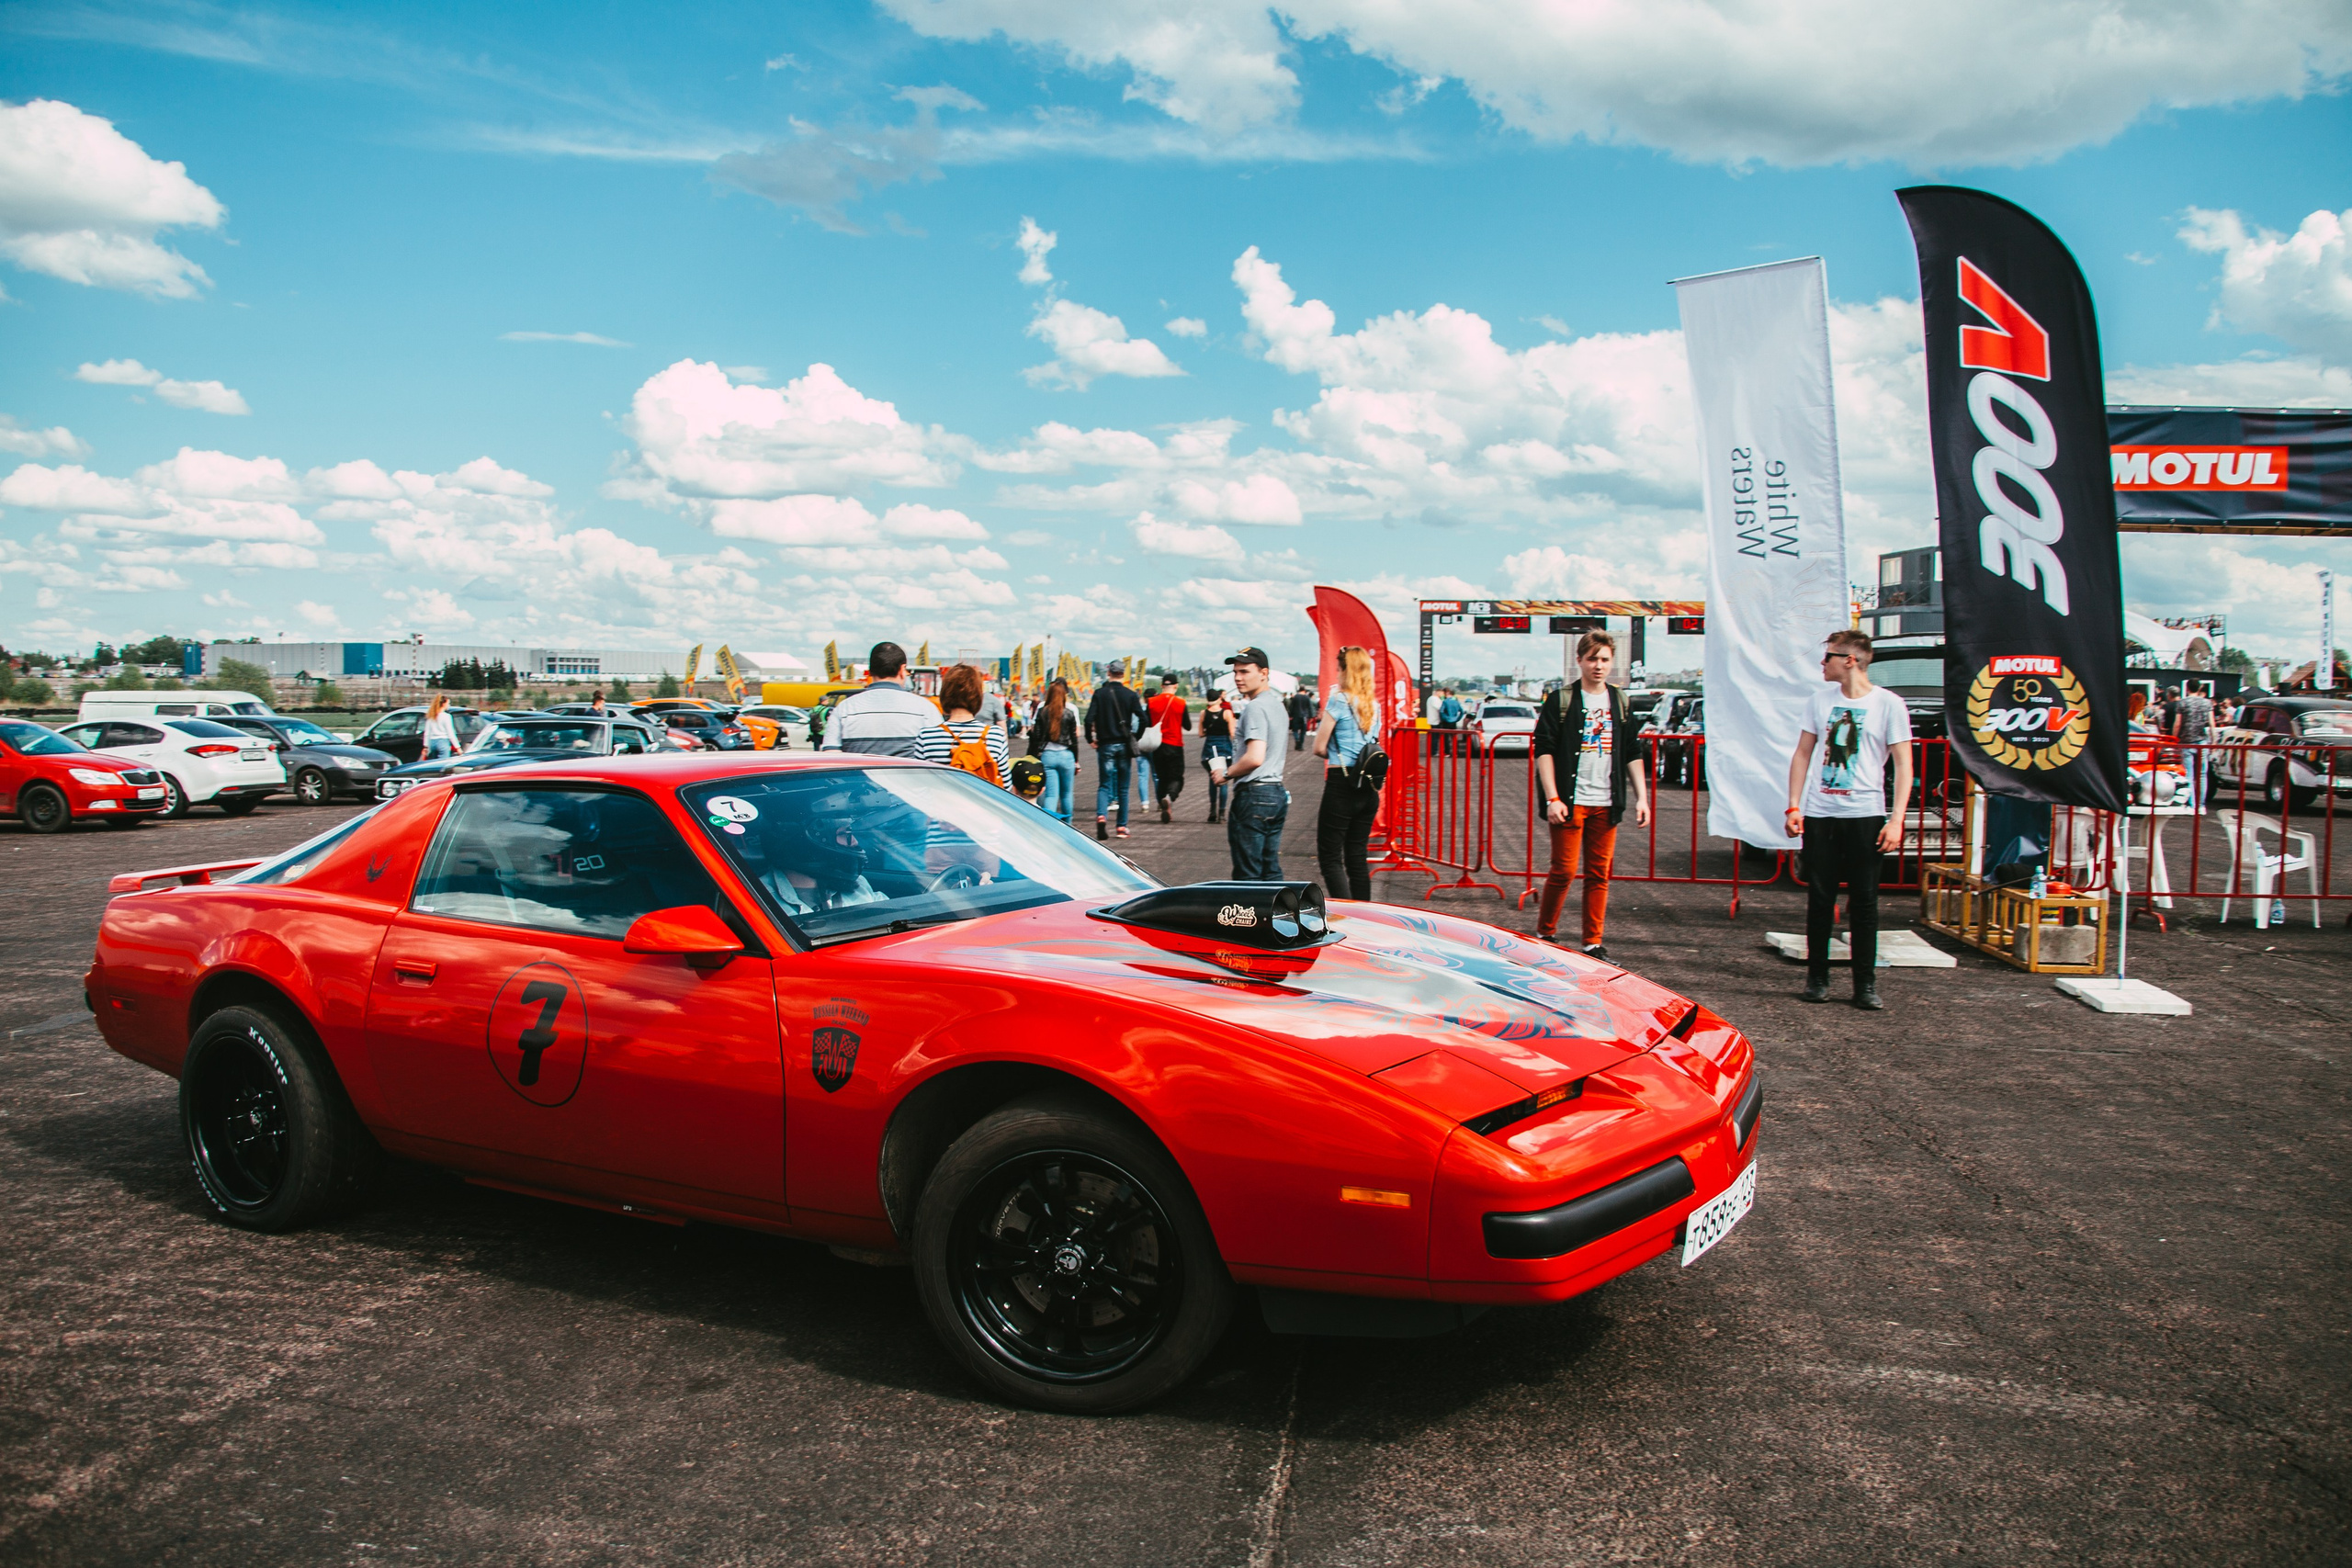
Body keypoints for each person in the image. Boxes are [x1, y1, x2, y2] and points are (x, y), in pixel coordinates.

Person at [1785, 628, 1913, 1010]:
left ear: (1850, 660)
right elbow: (1803, 754)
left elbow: (1904, 764)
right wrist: (1794, 806)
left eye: (1828, 657)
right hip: (1822, 813)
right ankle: (1817, 978)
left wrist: (1897, 820)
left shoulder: (1889, 705)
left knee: (1866, 901)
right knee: (1820, 897)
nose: (1822, 664)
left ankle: (1865, 984)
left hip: (1866, 813)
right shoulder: (1819, 701)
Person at [1529, 631, 1651, 959]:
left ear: (1613, 662)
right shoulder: (1562, 700)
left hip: (1607, 802)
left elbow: (1632, 750)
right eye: (1592, 658)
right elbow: (1544, 750)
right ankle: (1545, 934)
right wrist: (1553, 797)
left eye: (1605, 659)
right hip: (1570, 802)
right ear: (1580, 660)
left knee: (1599, 874)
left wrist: (1642, 797)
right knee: (1564, 870)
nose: (1599, 666)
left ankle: (1593, 943)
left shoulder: (1620, 701)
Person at [1313, 645, 1384, 901]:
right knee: (1357, 856)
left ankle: (1347, 914)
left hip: (1341, 784)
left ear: (1345, 670)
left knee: (1330, 857)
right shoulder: (1374, 706)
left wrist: (1336, 753)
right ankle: (1366, 915)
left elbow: (1318, 747)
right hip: (1368, 787)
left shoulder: (1339, 701)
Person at [1213, 648, 1289, 877]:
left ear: (1264, 673)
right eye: (1235, 672)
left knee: (1248, 874)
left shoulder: (1255, 707)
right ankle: (1279, 912)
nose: (1238, 677)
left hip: (1254, 795)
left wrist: (1226, 774)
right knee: (1270, 869)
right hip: (1276, 793)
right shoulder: (1277, 705)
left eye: (1245, 672)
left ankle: (1253, 914)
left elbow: (1255, 757)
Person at [820, 642, 936, 757]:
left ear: (870, 671)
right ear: (902, 670)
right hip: (909, 775)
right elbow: (937, 754)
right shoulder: (925, 709)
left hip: (862, 775)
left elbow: (831, 755)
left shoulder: (844, 709)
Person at [914, 663, 1010, 786]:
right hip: (982, 804)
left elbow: (919, 786)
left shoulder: (927, 736)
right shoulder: (995, 735)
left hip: (942, 803)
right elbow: (1006, 785)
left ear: (944, 694)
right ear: (978, 696)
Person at [1084, 660, 1147, 840]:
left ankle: (1102, 815)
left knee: (1104, 784)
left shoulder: (1099, 694)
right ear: (1123, 674)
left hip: (1105, 745)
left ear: (1108, 672)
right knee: (1124, 788)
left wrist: (1091, 739)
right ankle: (1121, 827)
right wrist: (1135, 737)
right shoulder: (1130, 695)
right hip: (1124, 746)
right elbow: (1143, 719)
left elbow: (1089, 720)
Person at [1026, 679, 1081, 824]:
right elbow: (1074, 739)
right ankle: (1069, 825)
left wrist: (1033, 756)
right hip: (1066, 756)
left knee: (1051, 795)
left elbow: (1036, 737)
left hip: (1048, 756)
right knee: (1067, 794)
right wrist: (1076, 760)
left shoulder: (1042, 712)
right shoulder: (1069, 713)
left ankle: (1049, 825)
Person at [1146, 672, 1192, 824]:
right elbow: (1188, 725)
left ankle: (1163, 803)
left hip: (1157, 745)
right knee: (1177, 777)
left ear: (1161, 686)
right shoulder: (1180, 703)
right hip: (1175, 745)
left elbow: (1146, 722)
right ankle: (1169, 797)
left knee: (1162, 777)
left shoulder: (1151, 702)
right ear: (1176, 686)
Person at [1200, 693, 1235, 823]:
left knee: (1212, 778)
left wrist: (1210, 730)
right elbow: (1232, 733)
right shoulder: (1227, 713)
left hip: (1209, 748)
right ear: (1220, 699)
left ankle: (1212, 810)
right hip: (1224, 747)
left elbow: (1200, 733)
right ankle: (1222, 813)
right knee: (1224, 778)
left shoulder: (1204, 713)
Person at [1287, 686, 1314, 753]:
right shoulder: (1307, 697)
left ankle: (1297, 740)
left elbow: (1291, 707)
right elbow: (1310, 707)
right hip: (1304, 716)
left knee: (1295, 730)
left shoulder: (1295, 697)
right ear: (1304, 690)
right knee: (1303, 731)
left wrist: (1290, 715)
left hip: (1296, 716)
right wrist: (1311, 716)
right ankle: (1301, 745)